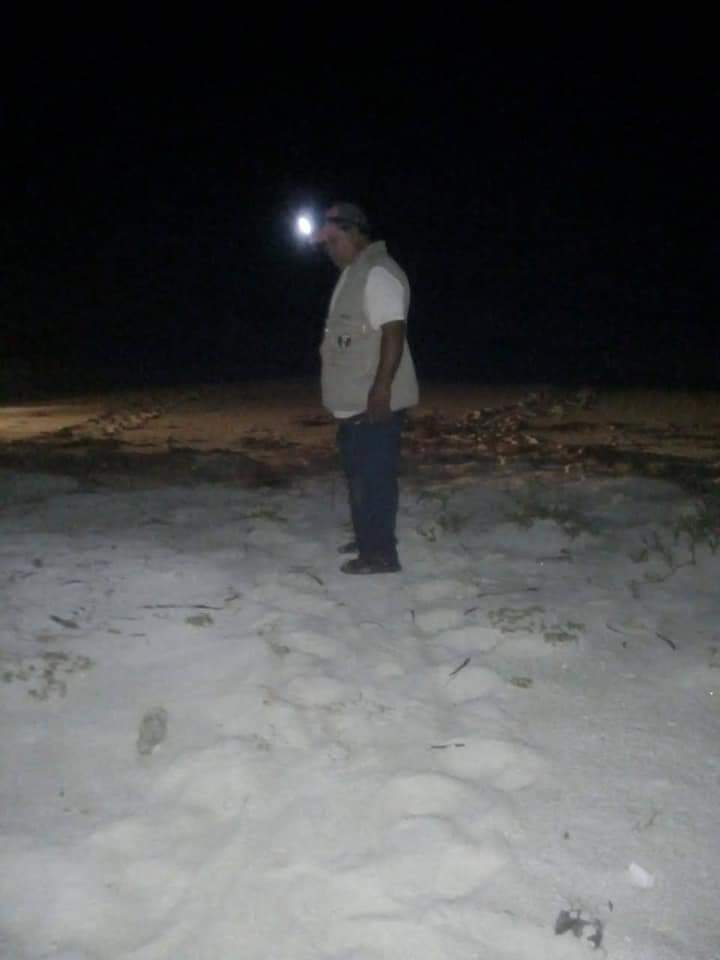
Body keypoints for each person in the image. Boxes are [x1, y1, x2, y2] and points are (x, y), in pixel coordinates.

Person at [315, 202, 419, 574]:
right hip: (354, 402)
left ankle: (380, 555)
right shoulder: (353, 273)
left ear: (356, 232)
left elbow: (394, 331)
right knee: (360, 476)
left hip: (372, 402)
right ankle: (368, 538)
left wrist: (382, 389)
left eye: (334, 240)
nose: (329, 249)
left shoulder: (377, 273)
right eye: (325, 243)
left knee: (374, 479)